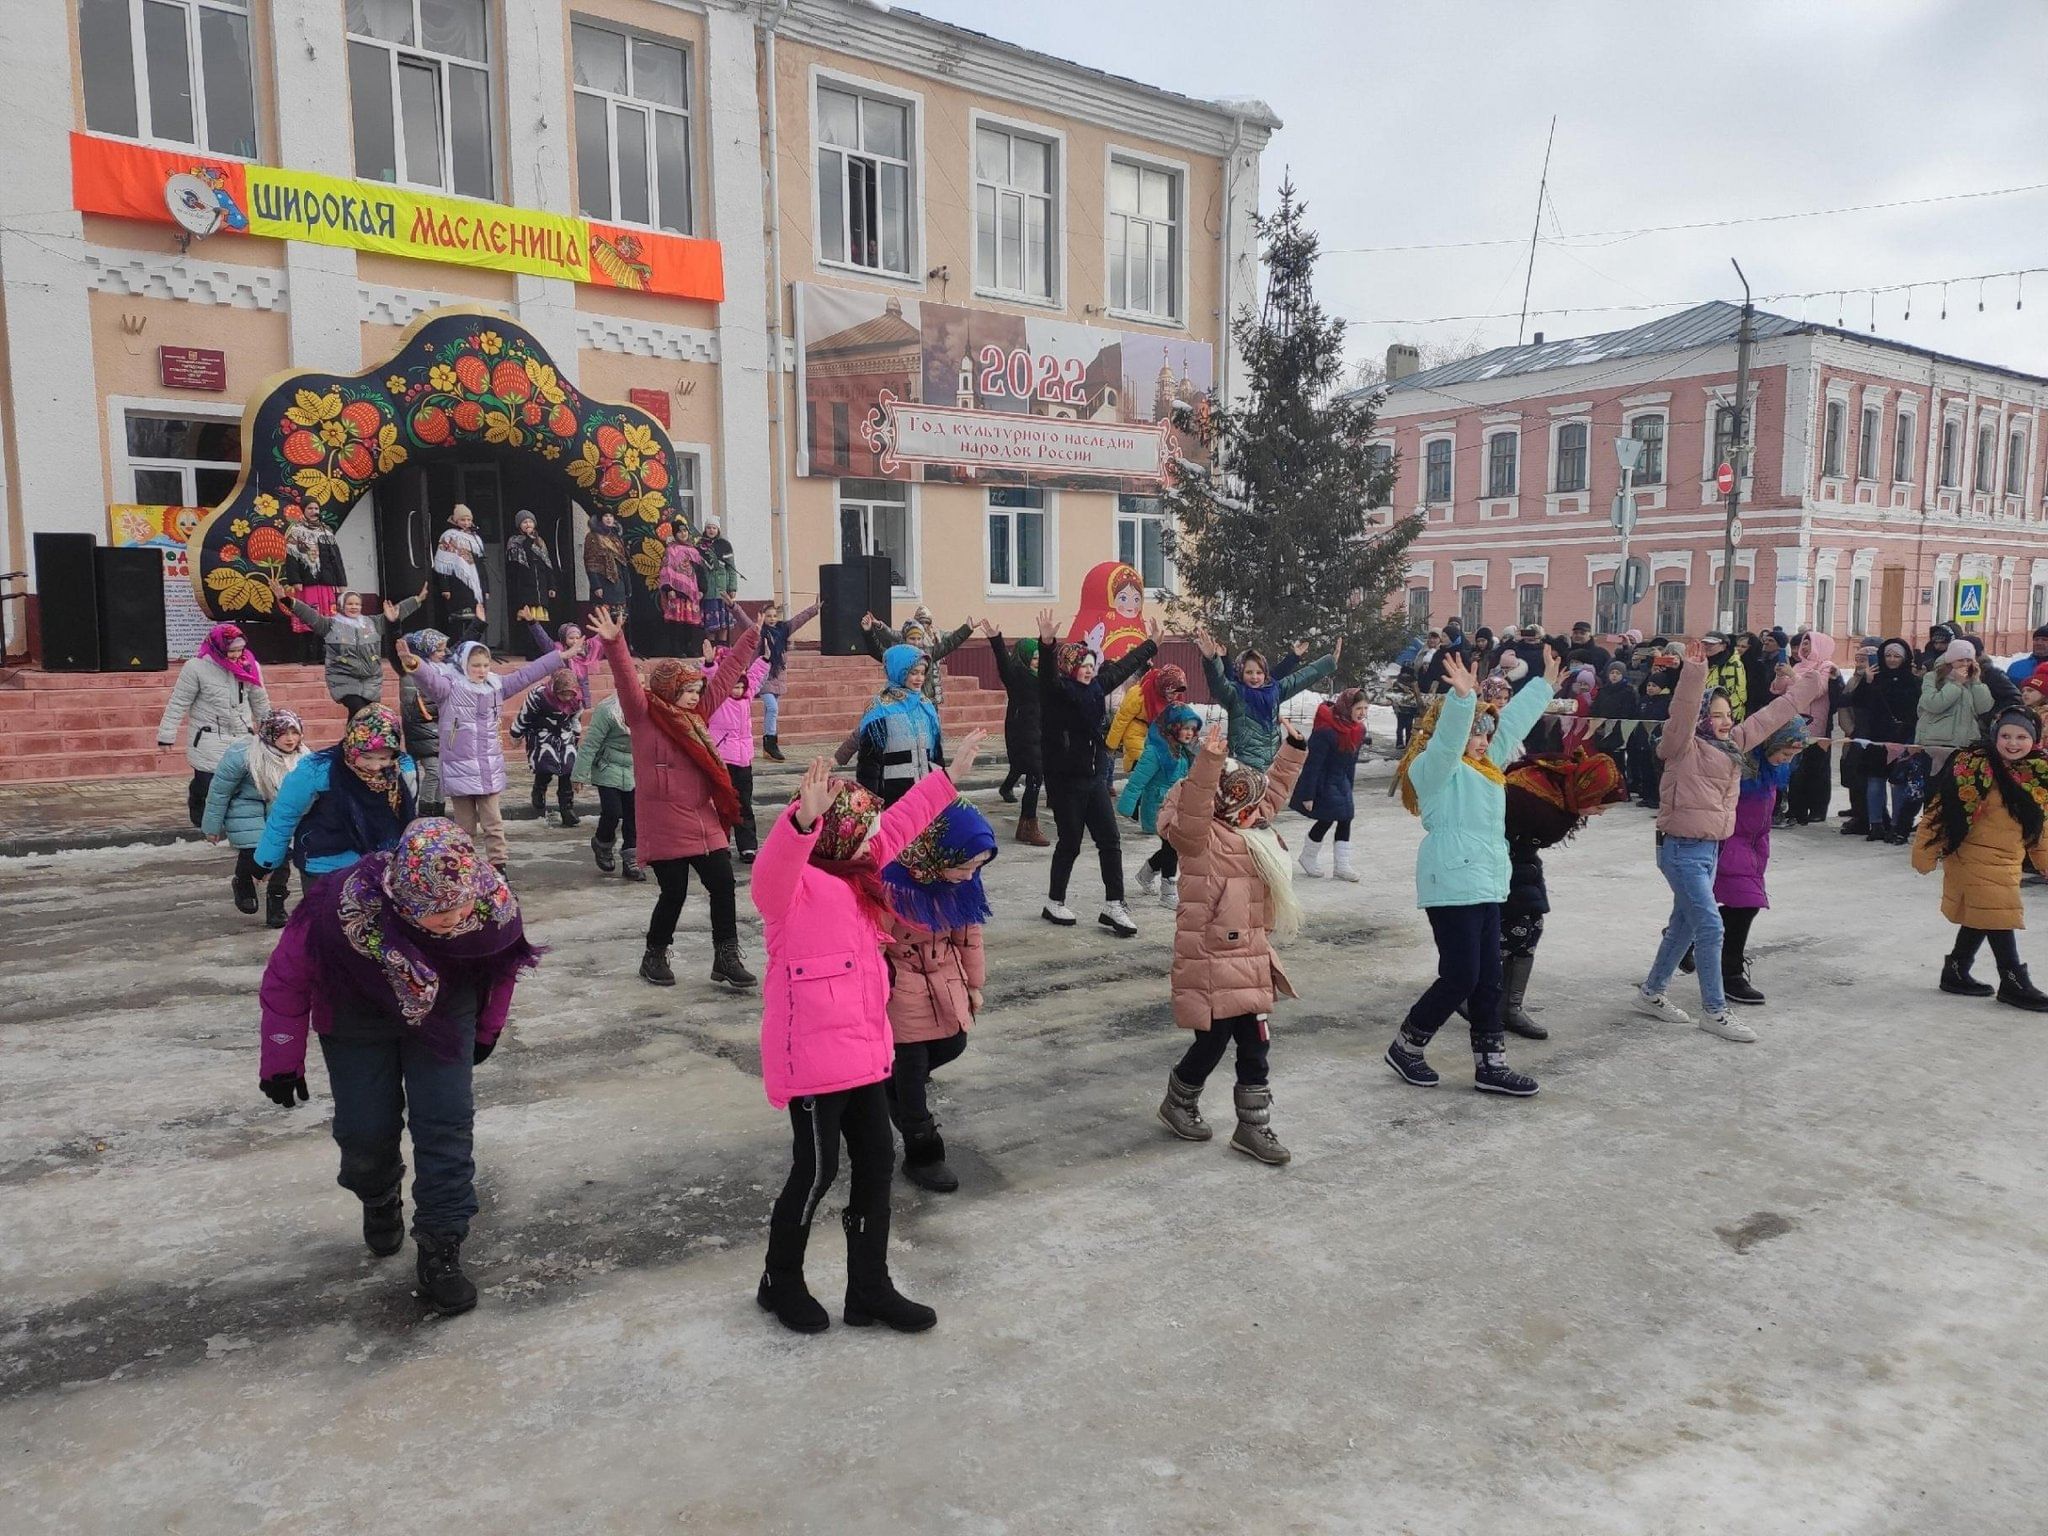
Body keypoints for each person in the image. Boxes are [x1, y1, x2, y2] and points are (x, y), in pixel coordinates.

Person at [750, 735, 986, 1336]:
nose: (873, 837)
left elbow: (900, 826)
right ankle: (781, 1280)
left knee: (877, 1167)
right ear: (835, 834)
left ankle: (869, 1290)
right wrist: (800, 819)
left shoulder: (862, 873)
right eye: (861, 827)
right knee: (816, 1171)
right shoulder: (792, 890)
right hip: (812, 1064)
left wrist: (948, 780)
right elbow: (770, 873)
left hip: (864, 1054)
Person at [256, 818, 540, 1317]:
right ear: (402, 899)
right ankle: (378, 1192)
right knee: (366, 1132)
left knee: (446, 1126)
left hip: (446, 1013)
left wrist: (487, 1029)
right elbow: (286, 979)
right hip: (355, 1013)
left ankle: (441, 1249)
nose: (452, 921)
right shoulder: (338, 907)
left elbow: (501, 968)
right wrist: (282, 1058)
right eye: (436, 914)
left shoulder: (490, 902)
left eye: (458, 908)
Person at [1383, 649, 1559, 1096]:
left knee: (1489, 978)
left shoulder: (1486, 770)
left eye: (1486, 733)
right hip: (1451, 881)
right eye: (1475, 733)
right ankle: (1407, 1045)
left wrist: (1543, 686)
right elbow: (1448, 742)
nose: (1482, 741)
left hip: (1486, 881)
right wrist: (1463, 701)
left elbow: (1512, 725)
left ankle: (1491, 1064)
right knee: (1461, 975)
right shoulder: (1436, 770)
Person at [1631, 639, 1826, 1043]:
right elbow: (1682, 713)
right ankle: (1715, 1011)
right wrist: (1694, 674)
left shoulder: (1733, 745)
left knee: (1684, 927)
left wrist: (1810, 685)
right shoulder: (1681, 746)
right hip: (1679, 849)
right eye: (1715, 714)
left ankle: (1651, 992)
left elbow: (1774, 715)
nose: (1723, 721)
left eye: (1727, 714)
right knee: (1711, 925)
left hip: (1710, 850)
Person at [1154, 718, 1308, 1164]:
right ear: (1225, 803)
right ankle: (1179, 1099)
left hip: (1252, 952)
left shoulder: (1251, 827)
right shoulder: (1199, 838)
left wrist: (1293, 749)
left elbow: (1273, 792)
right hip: (1211, 954)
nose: (1256, 812)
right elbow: (1196, 806)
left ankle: (1253, 1126)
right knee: (1212, 1041)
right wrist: (1210, 762)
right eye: (1245, 804)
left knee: (1256, 1042)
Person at [588, 607, 761, 991]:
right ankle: (654, 954)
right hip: (665, 823)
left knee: (722, 884)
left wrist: (750, 638)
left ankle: (726, 956)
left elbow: (728, 674)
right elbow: (627, 682)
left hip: (704, 820)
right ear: (668, 690)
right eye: (686, 691)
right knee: (675, 892)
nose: (693, 697)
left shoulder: (697, 715)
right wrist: (614, 642)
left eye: (696, 690)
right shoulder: (644, 716)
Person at [878, 797, 997, 1194]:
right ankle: (924, 1152)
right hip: (900, 984)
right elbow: (872, 942)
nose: (970, 875)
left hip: (945, 978)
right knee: (911, 1075)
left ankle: (889, 1086)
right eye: (965, 865)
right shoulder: (892, 884)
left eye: (977, 867)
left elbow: (969, 936)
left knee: (953, 1043)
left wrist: (974, 985)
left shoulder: (961, 884)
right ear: (938, 851)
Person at [1913, 707, 2048, 1009]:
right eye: (2006, 735)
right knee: (1998, 912)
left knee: (1984, 912)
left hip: (2007, 858)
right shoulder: (1972, 766)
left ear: (2034, 740)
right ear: (1994, 736)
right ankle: (2013, 980)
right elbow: (1940, 810)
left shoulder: (2036, 772)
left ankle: (1956, 970)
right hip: (1970, 854)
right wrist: (1925, 851)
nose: (2013, 743)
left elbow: (2040, 825)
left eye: (2022, 736)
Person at [1037, 610, 1160, 936]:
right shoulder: (1055, 695)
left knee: (1110, 839)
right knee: (1071, 843)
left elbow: (1121, 668)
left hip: (1092, 777)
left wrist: (1151, 644)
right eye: (1084, 666)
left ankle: (1114, 905)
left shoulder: (1095, 690)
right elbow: (1047, 678)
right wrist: (1047, 644)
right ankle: (1054, 901)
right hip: (1064, 781)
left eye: (1092, 666)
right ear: (1069, 668)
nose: (1090, 671)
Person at [1490, 749, 1626, 1040]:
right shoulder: (1536, 800)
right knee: (1515, 930)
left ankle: (1510, 1007)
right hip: (1497, 861)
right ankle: (1471, 987)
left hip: (1522, 858)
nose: (1600, 813)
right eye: (1600, 806)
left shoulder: (1563, 790)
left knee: (1532, 928)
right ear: (1588, 792)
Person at [404, 635, 573, 869]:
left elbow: (526, 675)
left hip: (488, 769)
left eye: (485, 665)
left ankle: (499, 866)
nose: (481, 670)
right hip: (460, 768)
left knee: (493, 823)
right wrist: (414, 664)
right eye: (475, 665)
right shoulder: (449, 687)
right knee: (465, 828)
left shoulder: (496, 686)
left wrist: (558, 657)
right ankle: (466, 868)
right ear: (464, 664)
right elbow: (428, 679)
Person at [1694, 720, 1808, 1007]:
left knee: (1741, 906)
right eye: (1785, 752)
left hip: (1755, 844)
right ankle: (1729, 973)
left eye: (1792, 756)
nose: (1787, 760)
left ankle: (1690, 940)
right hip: (1730, 841)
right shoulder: (1739, 766)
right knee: (1746, 905)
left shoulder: (1772, 769)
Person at [254, 706, 418, 883]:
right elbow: (285, 815)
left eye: (383, 758)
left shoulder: (402, 769)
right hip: (326, 864)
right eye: (367, 757)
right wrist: (266, 862)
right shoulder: (318, 769)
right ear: (353, 746)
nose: (375, 767)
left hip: (382, 864)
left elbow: (409, 818)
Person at [202, 708, 308, 927]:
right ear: (269, 733)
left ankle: (277, 904)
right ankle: (243, 882)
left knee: (281, 858)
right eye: (283, 733)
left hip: (282, 813)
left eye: (294, 732)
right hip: (246, 808)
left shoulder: (304, 758)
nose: (290, 739)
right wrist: (212, 827)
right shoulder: (243, 754)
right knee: (253, 851)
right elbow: (220, 791)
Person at [157, 622, 271, 828]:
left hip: (241, 734)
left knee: (241, 783)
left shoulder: (250, 665)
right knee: (207, 782)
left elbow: (259, 700)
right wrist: (167, 735)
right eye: (231, 651)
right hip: (207, 735)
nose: (236, 655)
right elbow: (179, 701)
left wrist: (270, 729)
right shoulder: (196, 667)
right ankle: (200, 815)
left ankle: (233, 824)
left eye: (240, 650)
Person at [272, 581, 424, 717]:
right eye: (350, 604)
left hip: (371, 681)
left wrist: (417, 600)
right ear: (341, 606)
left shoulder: (373, 623)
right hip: (344, 680)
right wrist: (286, 599)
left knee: (362, 719)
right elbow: (308, 614)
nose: (354, 607)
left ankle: (351, 747)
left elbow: (396, 612)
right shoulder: (330, 624)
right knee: (360, 712)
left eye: (357, 604)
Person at [1195, 630, 1340, 771]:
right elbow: (1217, 682)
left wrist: (1328, 663)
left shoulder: (1275, 690)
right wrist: (1212, 659)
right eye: (1249, 672)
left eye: (1259, 672)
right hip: (1242, 767)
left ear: (1265, 674)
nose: (1255, 677)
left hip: (1271, 765)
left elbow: (1301, 678)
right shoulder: (1234, 694)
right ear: (1240, 673)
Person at [1120, 702, 1203, 909]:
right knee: (1172, 846)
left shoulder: (1183, 750)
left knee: (1172, 846)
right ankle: (1168, 892)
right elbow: (1137, 781)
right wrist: (1127, 805)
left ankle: (1147, 872)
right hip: (1157, 805)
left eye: (1192, 729)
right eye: (1185, 728)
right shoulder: (1156, 751)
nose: (1189, 733)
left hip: (1177, 806)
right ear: (1173, 727)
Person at [843, 644, 945, 805]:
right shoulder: (880, 710)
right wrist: (871, 803)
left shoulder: (927, 706)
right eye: (913, 673)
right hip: (894, 798)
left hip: (926, 796)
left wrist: (942, 789)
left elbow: (937, 756)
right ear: (899, 671)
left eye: (922, 673)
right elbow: (869, 764)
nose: (919, 679)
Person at [1846, 637, 1920, 841]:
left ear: (1905, 658)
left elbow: (1918, 710)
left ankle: (1896, 825)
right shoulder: (1875, 677)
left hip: (1903, 737)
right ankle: (1876, 824)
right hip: (1876, 737)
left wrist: (1909, 733)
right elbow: (1858, 702)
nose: (1892, 659)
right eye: (1888, 655)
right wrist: (1867, 681)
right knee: (1875, 780)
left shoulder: (1913, 681)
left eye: (1897, 656)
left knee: (1898, 783)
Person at [1292, 686, 1369, 882]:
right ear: (1347, 707)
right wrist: (1308, 795)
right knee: (1327, 818)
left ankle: (1341, 865)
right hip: (1323, 781)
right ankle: (1308, 856)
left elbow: (1351, 762)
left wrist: (1349, 787)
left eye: (1365, 709)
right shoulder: (1326, 731)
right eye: (1358, 708)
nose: (1362, 713)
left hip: (1341, 781)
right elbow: (1313, 765)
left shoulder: (1358, 730)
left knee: (1346, 818)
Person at [984, 623, 1048, 847]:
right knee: (1035, 776)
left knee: (1033, 774)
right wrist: (996, 640)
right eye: (1034, 657)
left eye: (1039, 657)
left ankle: (1026, 824)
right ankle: (1029, 825)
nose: (1037, 661)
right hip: (1022, 732)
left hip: (1039, 732)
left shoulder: (1043, 677)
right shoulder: (1017, 677)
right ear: (1024, 657)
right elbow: (1003, 664)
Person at [574, 682, 643, 881]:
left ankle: (632, 859)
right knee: (613, 812)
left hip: (633, 769)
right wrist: (579, 775)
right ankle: (602, 843)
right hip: (607, 767)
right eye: (632, 681)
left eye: (641, 683)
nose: (636, 687)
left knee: (634, 815)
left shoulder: (647, 708)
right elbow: (591, 743)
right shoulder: (608, 710)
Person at [708, 647, 771, 861]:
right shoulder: (718, 699)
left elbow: (754, 677)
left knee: (745, 803)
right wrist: (710, 664)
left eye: (740, 686)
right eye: (733, 686)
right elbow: (714, 680)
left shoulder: (746, 696)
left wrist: (765, 659)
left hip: (744, 760)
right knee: (723, 804)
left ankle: (747, 846)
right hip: (724, 760)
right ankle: (720, 843)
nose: (737, 690)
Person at [510, 668, 585, 829]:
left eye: (569, 695)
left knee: (568, 770)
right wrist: (516, 734)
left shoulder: (576, 700)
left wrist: (576, 736)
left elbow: (575, 719)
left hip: (565, 735)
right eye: (563, 694)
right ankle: (539, 789)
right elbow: (524, 716)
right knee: (545, 767)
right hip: (542, 735)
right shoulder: (539, 696)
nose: (566, 698)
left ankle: (567, 809)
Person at [861, 608, 973, 707]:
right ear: (905, 639)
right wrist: (868, 631)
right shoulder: (898, 656)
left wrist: (966, 629)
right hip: (903, 704)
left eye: (919, 639)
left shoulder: (928, 654)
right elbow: (877, 651)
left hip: (926, 704)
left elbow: (949, 643)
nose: (916, 642)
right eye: (912, 639)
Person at [757, 598, 821, 762]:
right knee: (772, 708)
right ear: (762, 617)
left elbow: (799, 619)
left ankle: (767, 746)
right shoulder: (758, 631)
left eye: (774, 616)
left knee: (769, 711)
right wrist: (733, 606)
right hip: (763, 676)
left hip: (778, 676)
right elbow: (742, 618)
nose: (772, 619)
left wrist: (814, 609)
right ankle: (772, 744)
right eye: (768, 616)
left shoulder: (783, 630)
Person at [394, 628, 448, 818]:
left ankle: (439, 811)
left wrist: (478, 625)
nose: (444, 654)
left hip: (438, 731)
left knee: (442, 772)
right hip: (422, 732)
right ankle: (425, 812)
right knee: (433, 771)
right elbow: (416, 709)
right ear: (427, 650)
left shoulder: (440, 670)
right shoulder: (412, 673)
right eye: (439, 650)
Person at [1106, 663, 1189, 775]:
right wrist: (1111, 745)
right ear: (1164, 686)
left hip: (1157, 734)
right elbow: (1121, 720)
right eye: (1172, 692)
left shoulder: (1176, 702)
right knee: (1146, 763)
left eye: (1177, 693)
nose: (1174, 696)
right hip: (1136, 731)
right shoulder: (1139, 694)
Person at [1917, 639, 1994, 753]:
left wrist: (1976, 682)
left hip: (1966, 742)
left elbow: (1984, 708)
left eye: (1969, 660)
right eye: (1960, 660)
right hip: (1936, 742)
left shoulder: (1971, 680)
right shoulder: (1932, 677)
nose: (1965, 664)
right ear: (1950, 661)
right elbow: (1933, 704)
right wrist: (1956, 684)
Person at [504, 511, 558, 656]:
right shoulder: (515, 542)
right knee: (527, 620)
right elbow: (515, 566)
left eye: (530, 522)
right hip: (525, 587)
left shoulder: (540, 542)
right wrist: (528, 539)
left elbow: (548, 565)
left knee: (542, 620)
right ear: (519, 525)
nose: (528, 525)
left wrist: (551, 586)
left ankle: (542, 650)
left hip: (541, 586)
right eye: (524, 522)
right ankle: (529, 651)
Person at [432, 505, 488, 642]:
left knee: (474, 619)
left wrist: (486, 588)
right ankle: (455, 648)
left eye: (469, 520)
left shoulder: (475, 538)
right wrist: (445, 587)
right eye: (463, 520)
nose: (467, 523)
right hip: (456, 583)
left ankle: (472, 647)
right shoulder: (448, 536)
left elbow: (481, 565)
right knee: (457, 621)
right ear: (456, 520)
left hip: (474, 584)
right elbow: (442, 563)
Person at [656, 525, 705, 659]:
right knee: (676, 623)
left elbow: (700, 572)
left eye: (685, 531)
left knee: (690, 623)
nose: (683, 534)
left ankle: (689, 648)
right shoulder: (670, 550)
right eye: (679, 531)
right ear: (675, 533)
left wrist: (702, 589)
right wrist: (669, 589)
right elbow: (665, 570)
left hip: (692, 593)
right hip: (676, 592)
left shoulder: (694, 551)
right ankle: (676, 649)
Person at [697, 519, 739, 647]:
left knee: (723, 622)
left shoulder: (725, 545)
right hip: (708, 590)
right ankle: (711, 648)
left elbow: (731, 569)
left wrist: (732, 587)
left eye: (714, 528)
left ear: (718, 530)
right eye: (709, 528)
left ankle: (722, 648)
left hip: (722, 590)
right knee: (710, 623)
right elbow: (697, 569)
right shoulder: (700, 546)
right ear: (705, 529)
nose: (711, 530)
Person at [582, 508, 630, 611]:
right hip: (603, 583)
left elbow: (623, 562)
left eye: (611, 516)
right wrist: (596, 586)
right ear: (600, 519)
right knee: (604, 618)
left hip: (618, 585)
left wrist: (627, 586)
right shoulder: (593, 536)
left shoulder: (616, 538)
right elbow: (590, 562)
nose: (609, 519)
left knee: (620, 620)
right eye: (605, 516)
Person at [1702, 632, 1748, 722]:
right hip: (1706, 714)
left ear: (1723, 646)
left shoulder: (1733, 664)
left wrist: (1728, 715)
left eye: (1712, 644)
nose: (1707, 646)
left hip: (1726, 716)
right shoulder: (1704, 662)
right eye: (1705, 644)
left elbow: (1738, 694)